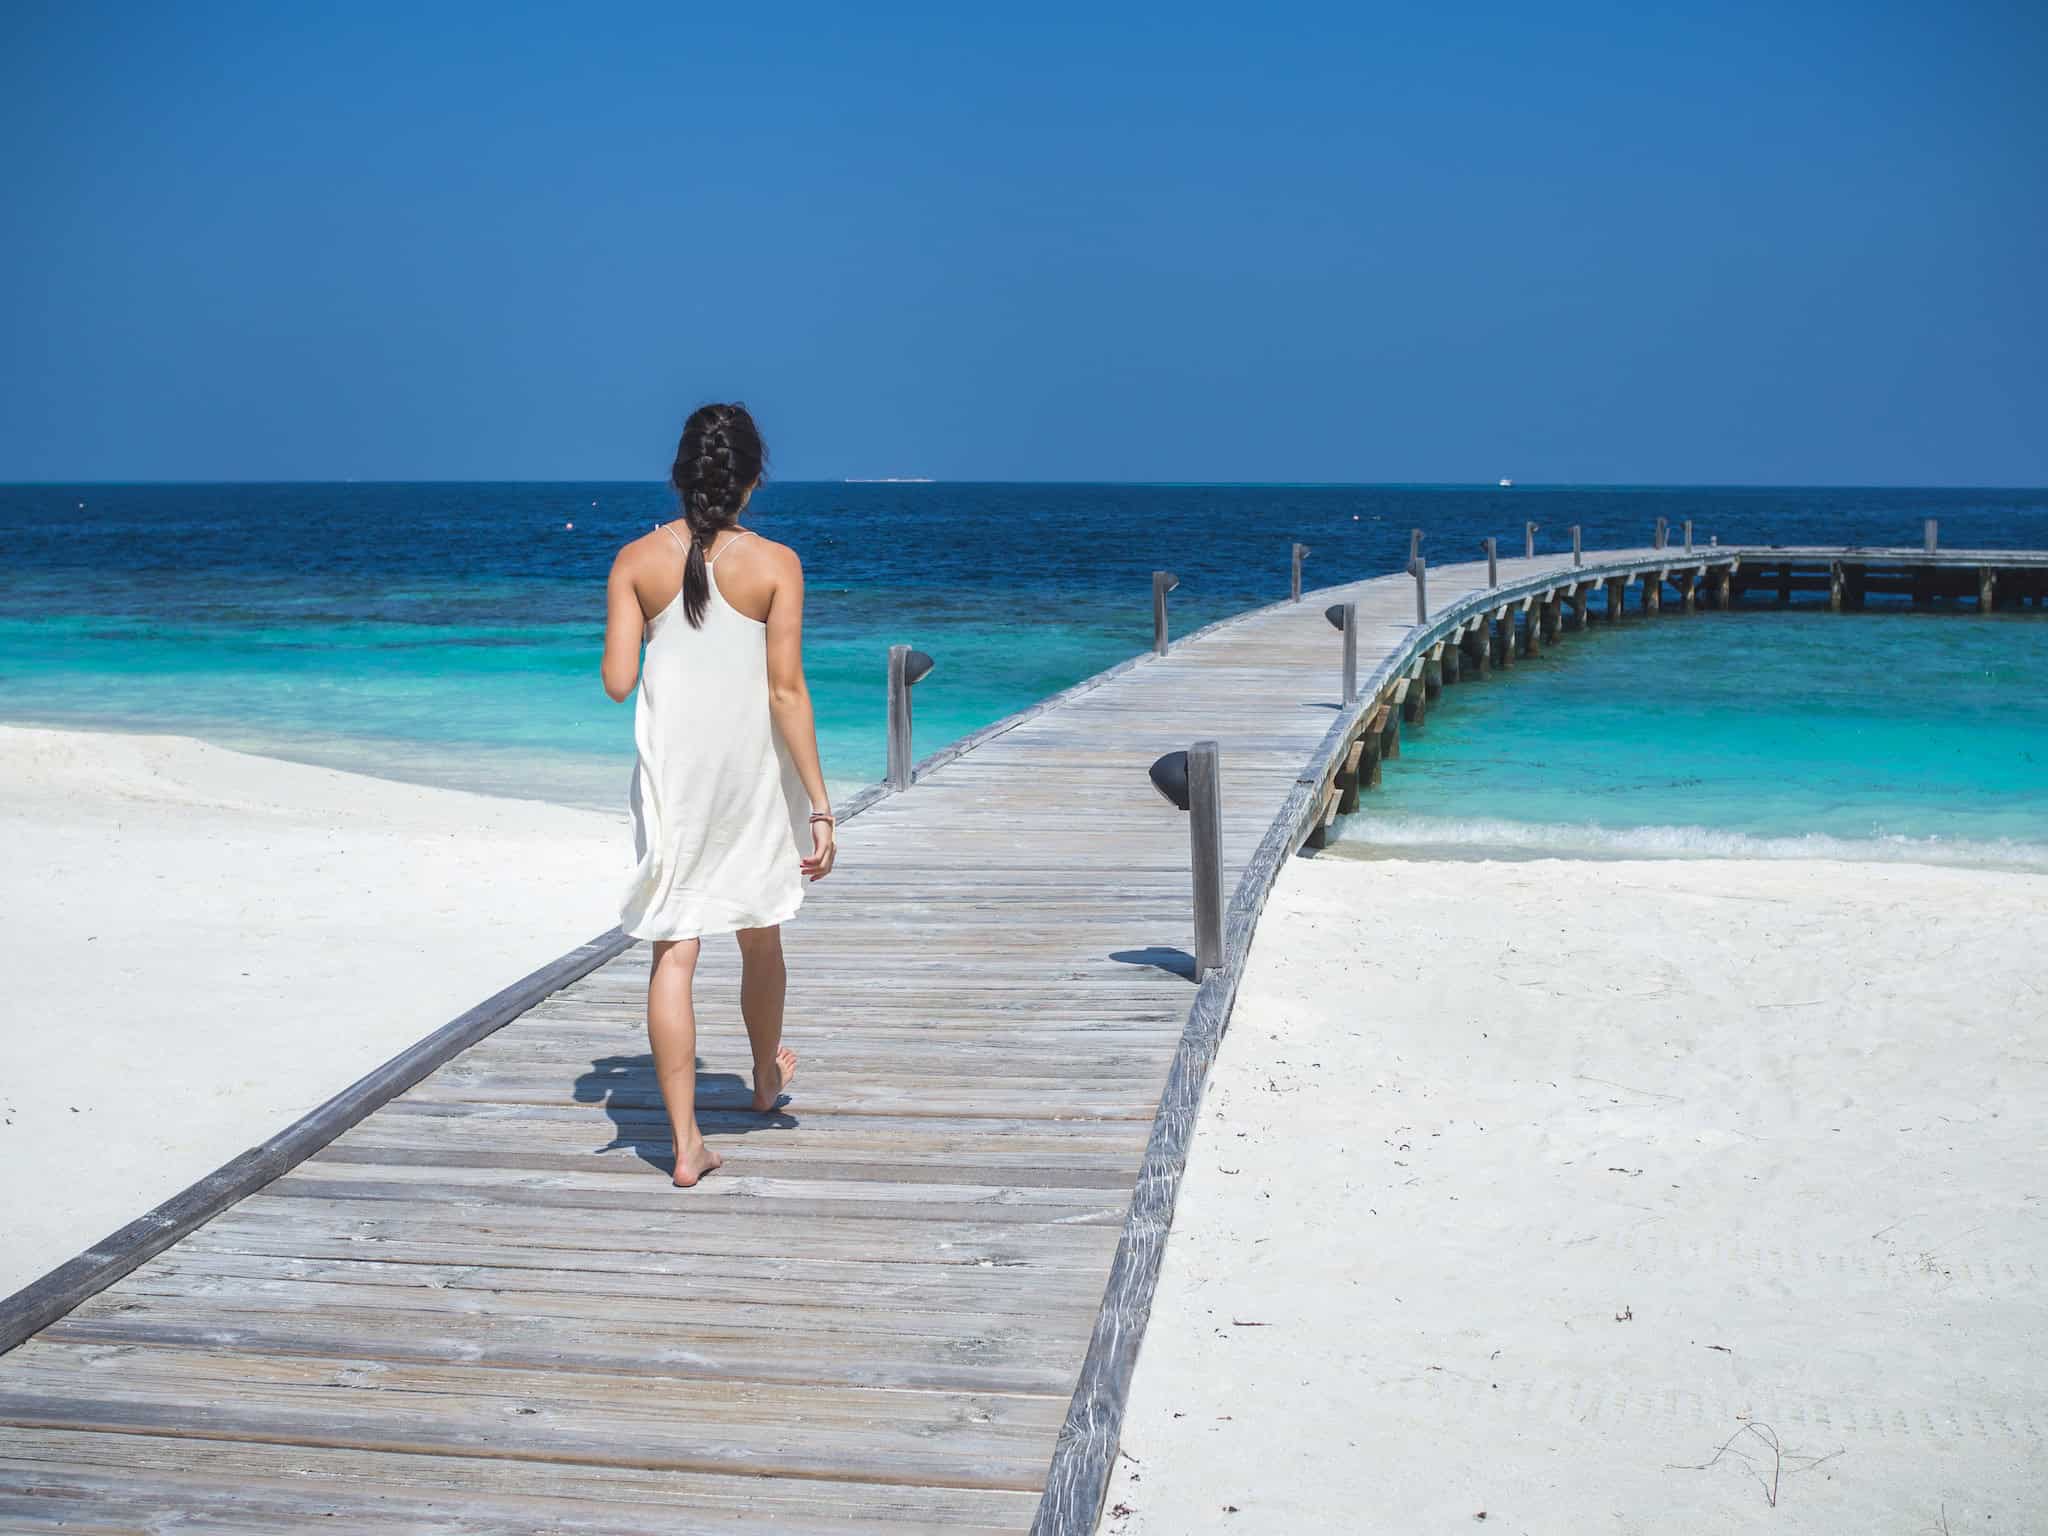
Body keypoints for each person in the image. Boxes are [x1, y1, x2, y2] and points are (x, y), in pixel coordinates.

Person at [602, 403, 835, 1186]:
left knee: (676, 949)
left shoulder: (635, 559)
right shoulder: (777, 564)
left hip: (674, 779)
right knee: (760, 929)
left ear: (680, 475)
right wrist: (823, 804)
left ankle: (683, 1145)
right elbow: (786, 694)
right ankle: (766, 1079)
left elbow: (617, 683)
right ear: (752, 480)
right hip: (750, 779)